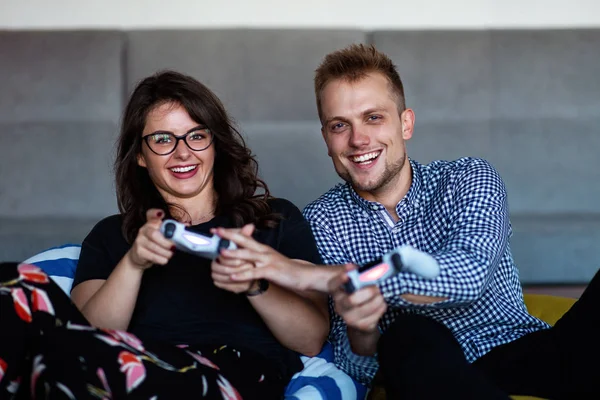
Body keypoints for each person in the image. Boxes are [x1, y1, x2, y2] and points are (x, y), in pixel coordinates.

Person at [224, 44, 600, 400]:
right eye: (339, 125)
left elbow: (469, 275)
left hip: (524, 350)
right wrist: (361, 326)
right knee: (407, 334)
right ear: (325, 138)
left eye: (373, 117)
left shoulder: (468, 176)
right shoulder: (322, 220)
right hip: (425, 369)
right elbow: (357, 362)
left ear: (405, 124)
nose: (358, 139)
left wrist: (337, 277)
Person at [0, 70, 329, 400]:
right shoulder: (113, 235)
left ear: (215, 143)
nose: (183, 153)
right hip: (132, 363)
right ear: (141, 156)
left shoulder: (274, 219)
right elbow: (84, 337)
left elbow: (312, 338)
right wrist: (134, 264)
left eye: (196, 135)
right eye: (162, 140)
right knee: (11, 282)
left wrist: (254, 284)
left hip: (230, 373)